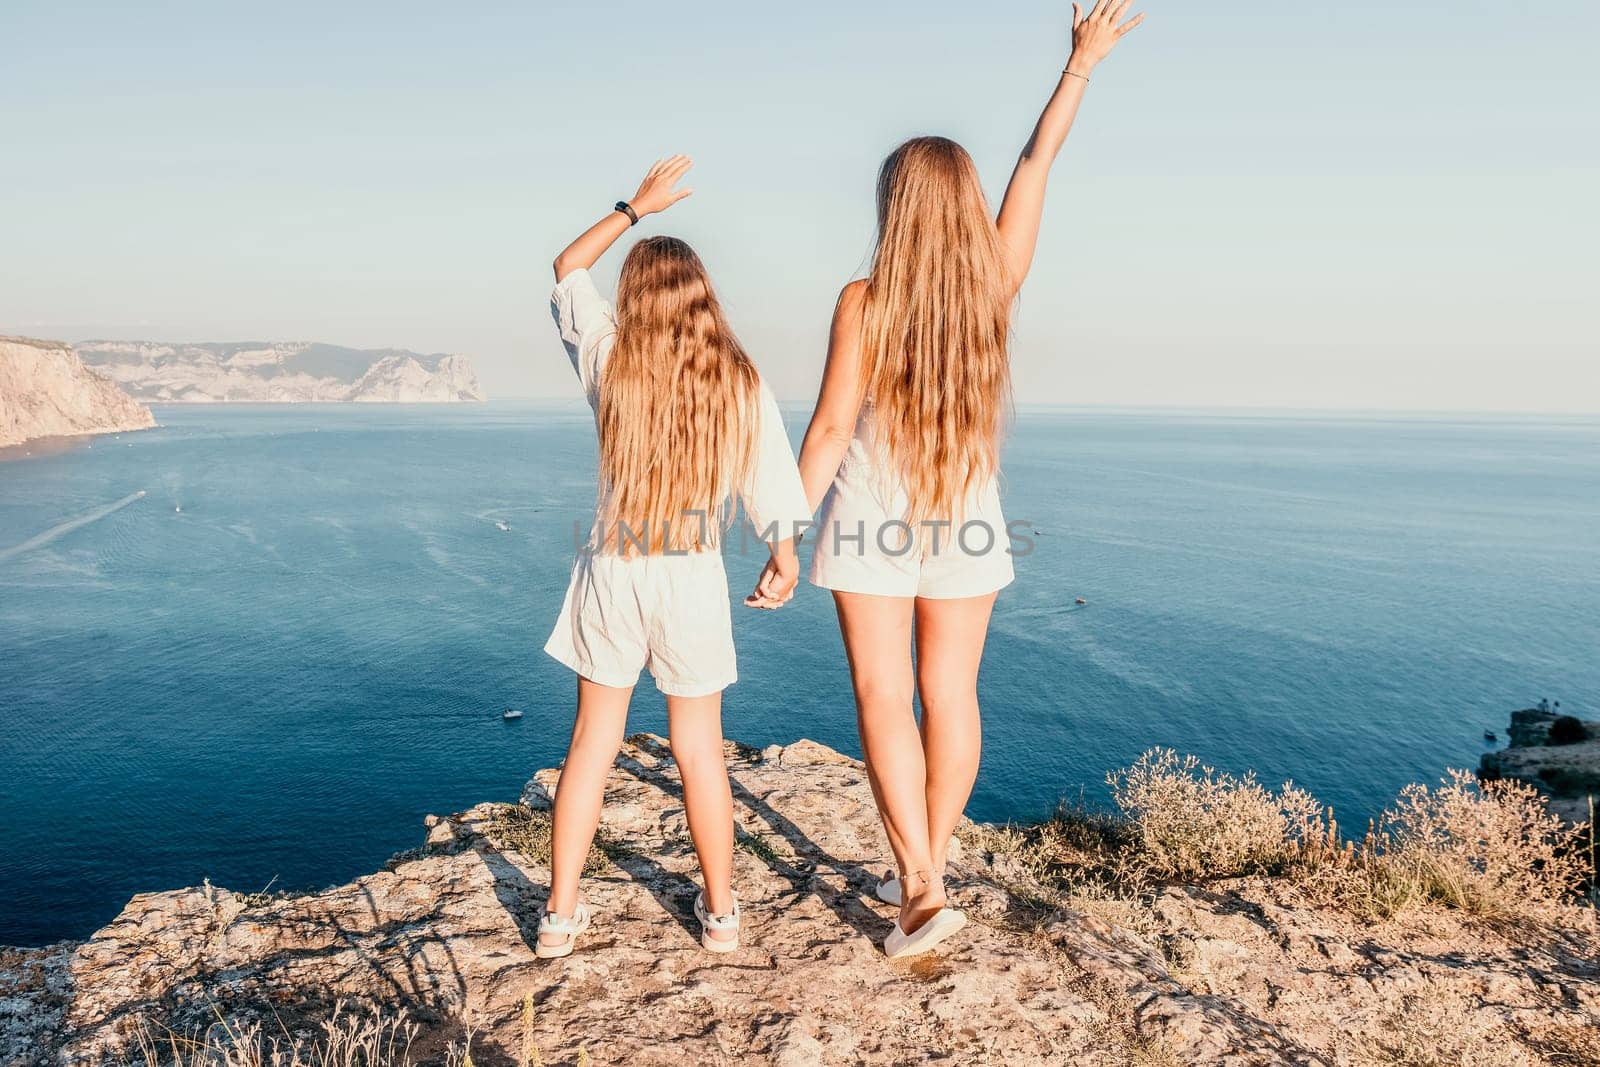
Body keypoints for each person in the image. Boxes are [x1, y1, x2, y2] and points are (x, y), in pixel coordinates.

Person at [776, 0, 1144, 957]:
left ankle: (921, 883)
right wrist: (1080, 67)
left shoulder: (863, 300)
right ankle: (929, 872)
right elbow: (1035, 167)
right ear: (961, 200)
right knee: (955, 694)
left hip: (866, 519)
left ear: (893, 206)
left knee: (884, 698)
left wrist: (783, 531)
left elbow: (824, 431)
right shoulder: (993, 283)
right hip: (968, 521)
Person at [538, 156, 811, 958]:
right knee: (699, 750)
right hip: (690, 570)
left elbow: (565, 268)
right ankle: (721, 913)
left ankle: (558, 914)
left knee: (592, 741)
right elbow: (771, 476)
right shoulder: (738, 380)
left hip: (613, 567)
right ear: (705, 297)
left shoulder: (611, 363)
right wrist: (783, 553)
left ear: (634, 297)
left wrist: (634, 208)